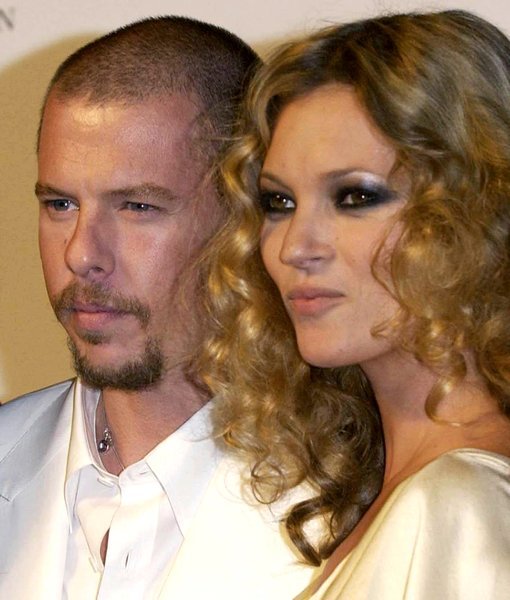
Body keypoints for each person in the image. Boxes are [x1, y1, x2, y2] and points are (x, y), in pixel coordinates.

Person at [0, 16, 318, 599]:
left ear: (246, 218)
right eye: (61, 204)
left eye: (138, 207)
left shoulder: (354, 510)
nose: (81, 255)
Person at [199, 10, 510, 599]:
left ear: (476, 214)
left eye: (355, 197)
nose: (295, 247)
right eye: (279, 203)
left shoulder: (459, 502)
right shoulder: (403, 490)